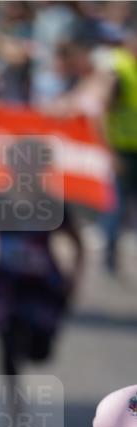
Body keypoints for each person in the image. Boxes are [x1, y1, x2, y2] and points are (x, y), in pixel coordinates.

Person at [0, 140, 84, 393]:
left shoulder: (52, 205)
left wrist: (74, 278)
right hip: (6, 280)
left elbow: (77, 244)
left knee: (39, 351)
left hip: (42, 282)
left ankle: (36, 344)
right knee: (5, 336)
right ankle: (13, 394)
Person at [104, 28, 137, 275]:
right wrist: (109, 150)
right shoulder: (119, 69)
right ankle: (110, 255)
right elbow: (106, 107)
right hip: (123, 148)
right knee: (118, 203)